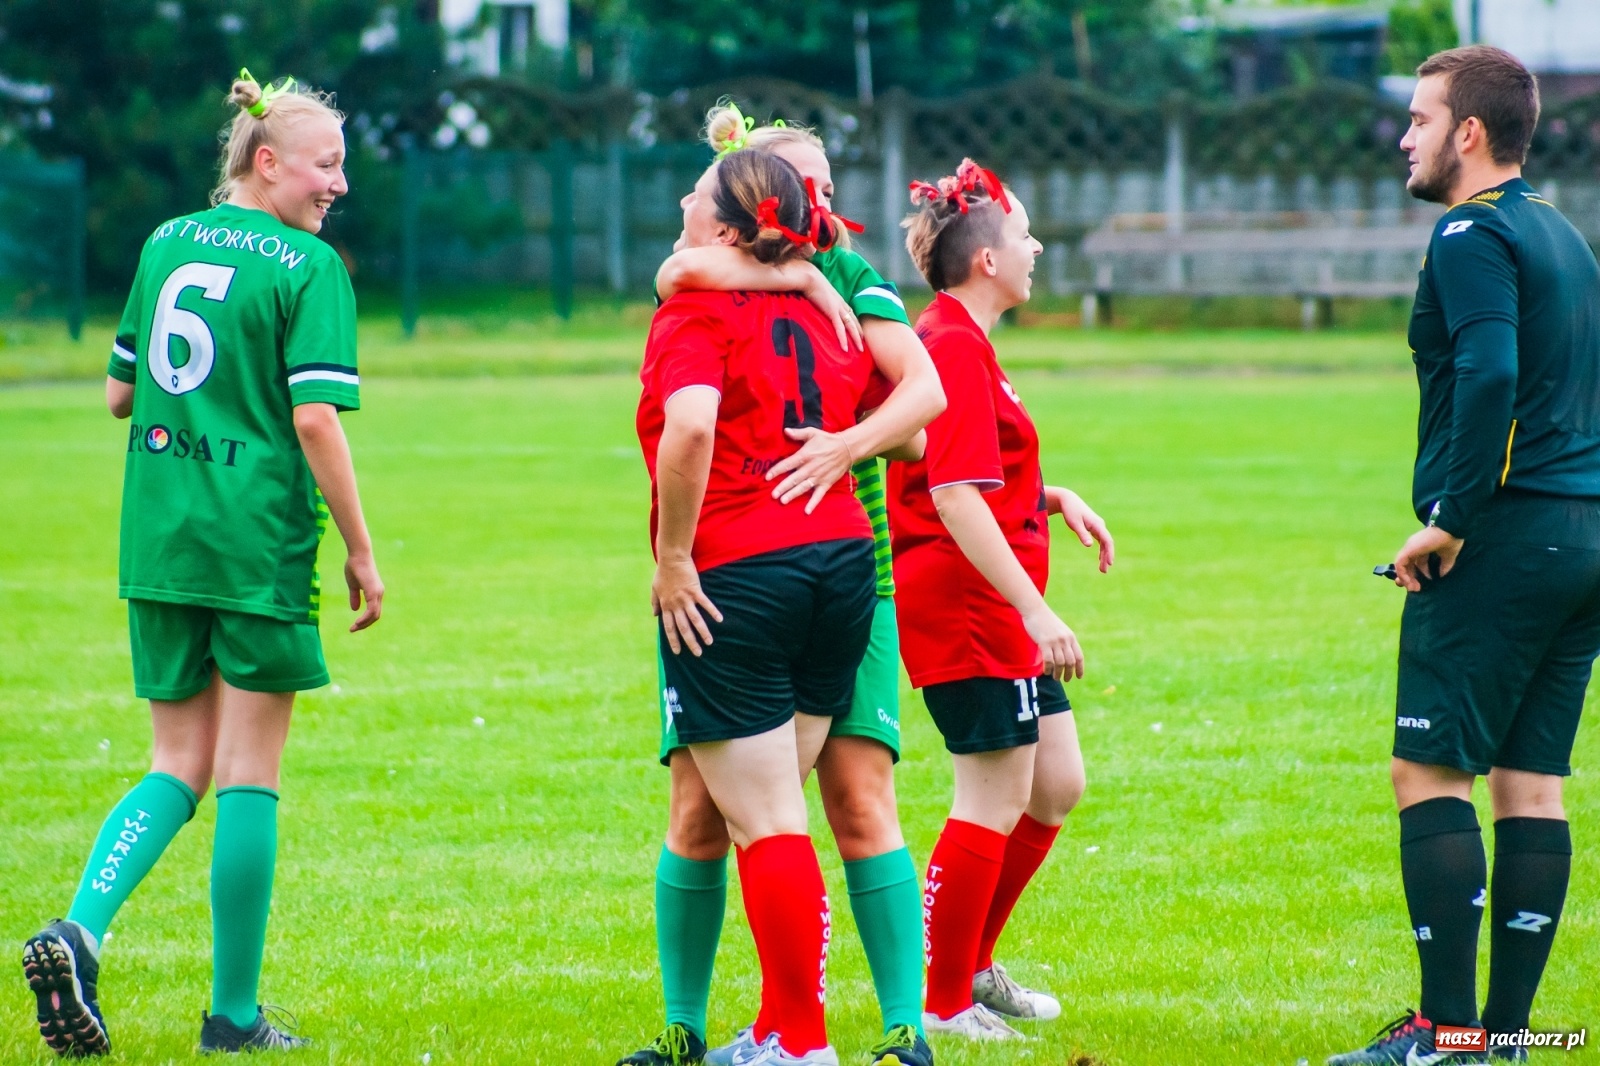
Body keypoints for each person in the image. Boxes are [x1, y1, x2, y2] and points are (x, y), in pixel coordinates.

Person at [20, 69, 383, 1057]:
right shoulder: (310, 268)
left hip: (158, 536)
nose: (338, 185)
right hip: (252, 540)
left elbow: (117, 396)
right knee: (248, 774)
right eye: (327, 164)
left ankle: (80, 930)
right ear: (266, 163)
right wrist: (359, 546)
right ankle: (233, 1017)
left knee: (174, 761)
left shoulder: (165, 239)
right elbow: (313, 415)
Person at [621, 105, 942, 1066]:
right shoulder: (822, 304)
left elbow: (689, 428)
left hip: (737, 571)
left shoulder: (699, 303)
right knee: (773, 811)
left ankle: (798, 1044)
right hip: (841, 566)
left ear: (728, 227)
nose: (685, 191)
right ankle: (770, 1033)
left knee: (766, 821)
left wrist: (674, 557)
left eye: (700, 190)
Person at [1329, 45, 1600, 1066]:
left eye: (1418, 118)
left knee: (1425, 768)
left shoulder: (1469, 232)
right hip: (1582, 537)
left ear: (1469, 132)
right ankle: (1509, 1039)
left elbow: (1489, 371)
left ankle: (1445, 1036)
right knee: (1530, 783)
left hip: (1501, 537)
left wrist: (1448, 516)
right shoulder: (1565, 235)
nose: (1404, 137)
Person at [891, 160, 1113, 1041]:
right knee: (990, 794)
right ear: (986, 261)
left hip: (991, 600)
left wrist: (1050, 497)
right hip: (969, 603)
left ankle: (969, 968)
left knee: (1055, 785)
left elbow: (976, 471)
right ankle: (941, 1004)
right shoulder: (948, 342)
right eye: (1025, 236)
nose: (1037, 248)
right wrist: (1037, 610)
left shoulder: (966, 340)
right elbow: (952, 498)